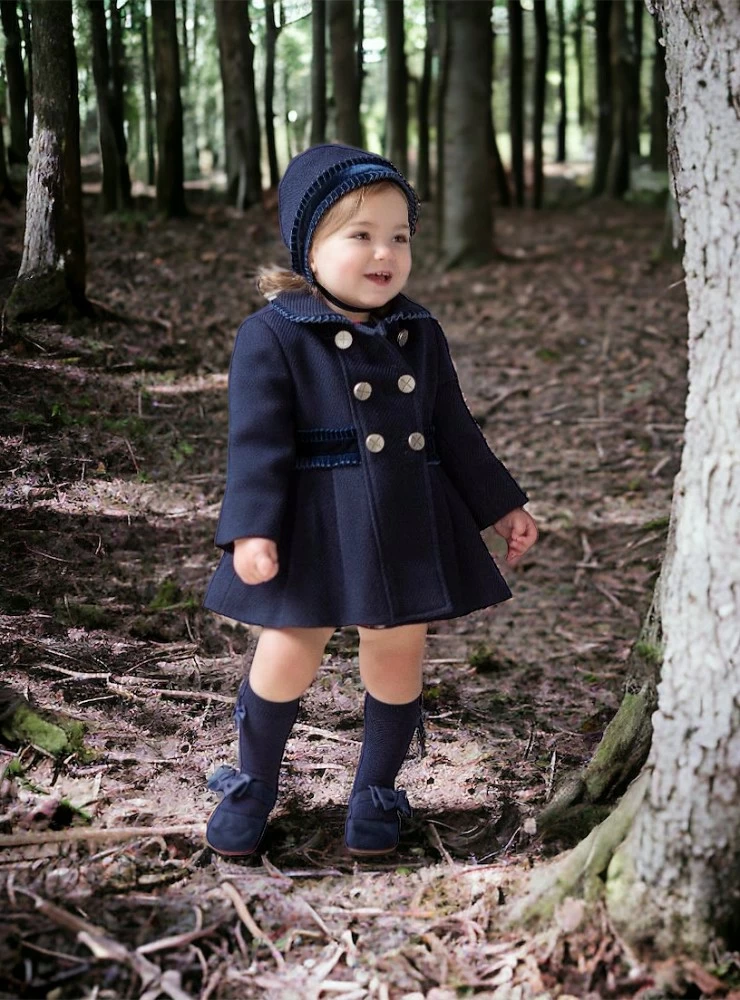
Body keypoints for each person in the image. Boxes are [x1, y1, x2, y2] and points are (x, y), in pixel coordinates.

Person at [203, 143, 538, 859]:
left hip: (404, 517)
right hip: (315, 524)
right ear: (308, 248)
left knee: (396, 654)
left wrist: (499, 505)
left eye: (400, 236)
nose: (384, 252)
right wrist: (252, 532)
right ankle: (253, 782)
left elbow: (455, 430)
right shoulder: (272, 335)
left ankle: (374, 792)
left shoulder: (419, 332)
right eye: (360, 235)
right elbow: (257, 445)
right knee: (288, 652)